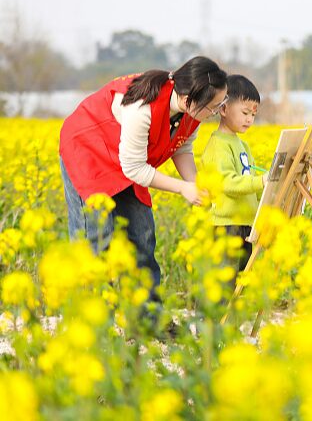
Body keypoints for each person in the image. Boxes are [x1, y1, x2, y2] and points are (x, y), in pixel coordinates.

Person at [59, 56, 228, 302]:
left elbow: (181, 147)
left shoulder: (193, 108)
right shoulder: (142, 107)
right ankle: (93, 317)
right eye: (212, 107)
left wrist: (196, 185)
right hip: (88, 149)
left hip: (127, 158)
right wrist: (183, 189)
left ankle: (148, 316)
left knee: (142, 235)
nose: (215, 112)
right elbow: (134, 167)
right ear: (187, 99)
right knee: (96, 239)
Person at [200, 75, 266, 281]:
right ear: (223, 109)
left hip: (245, 222)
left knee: (242, 281)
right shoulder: (218, 145)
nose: (249, 119)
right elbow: (227, 182)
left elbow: (251, 180)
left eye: (253, 114)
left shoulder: (242, 145)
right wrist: (260, 182)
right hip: (225, 224)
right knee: (224, 281)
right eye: (245, 113)